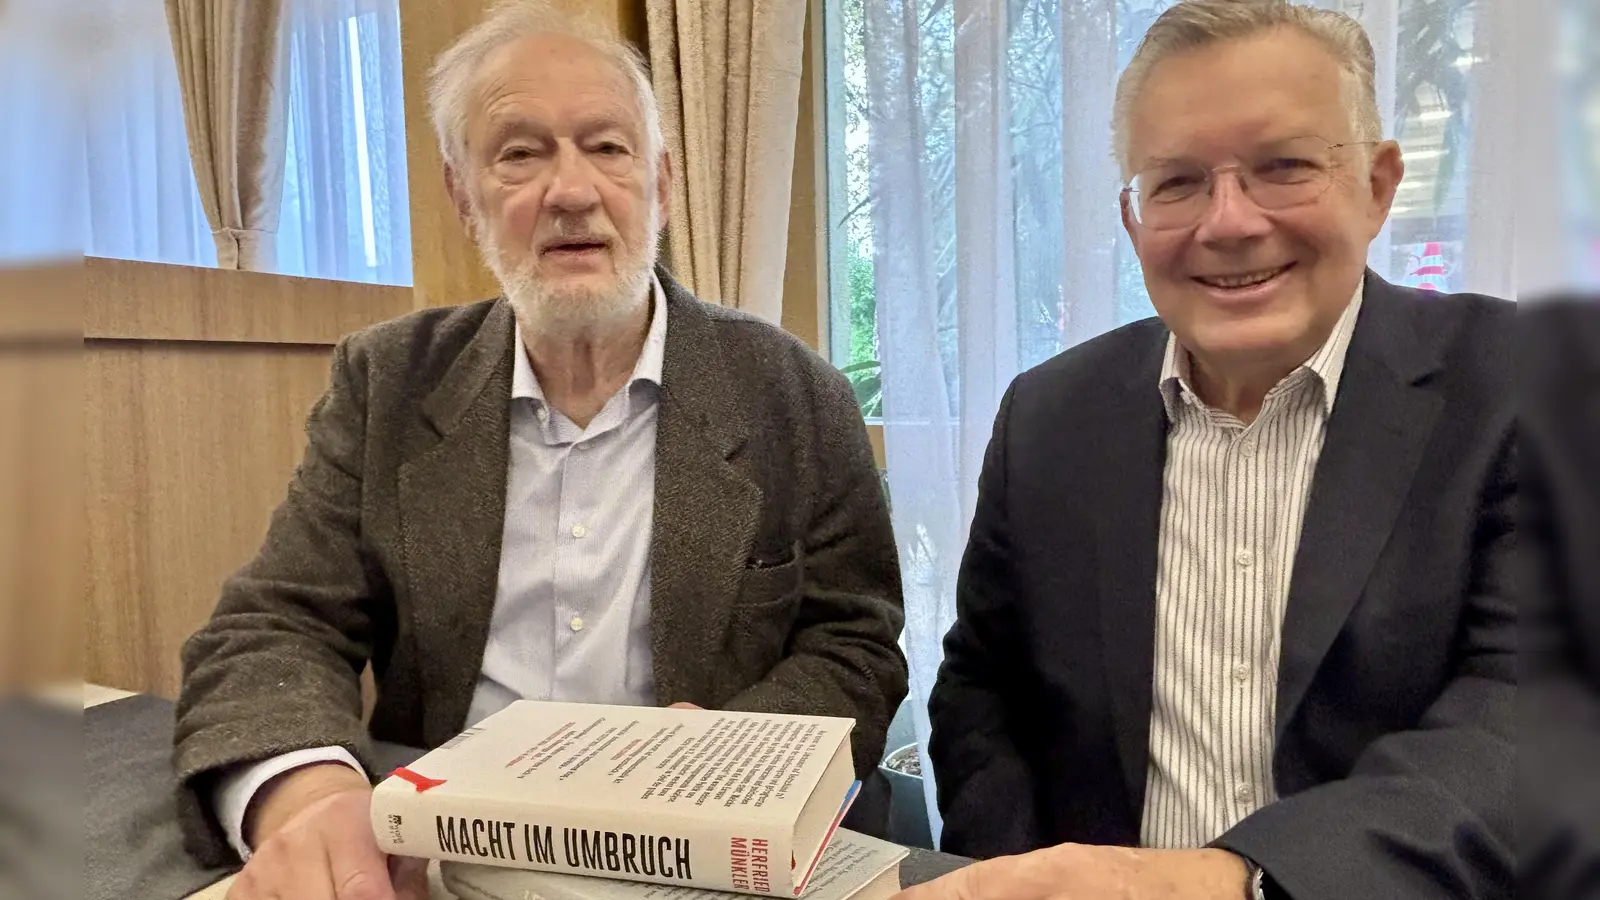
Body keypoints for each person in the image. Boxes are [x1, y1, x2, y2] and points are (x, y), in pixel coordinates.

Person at [171, 3, 908, 898]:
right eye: (520, 153)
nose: (570, 191)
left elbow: (856, 647)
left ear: (662, 184)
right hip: (437, 861)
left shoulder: (794, 394)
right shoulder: (389, 381)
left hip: (688, 857)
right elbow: (275, 623)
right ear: (462, 193)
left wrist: (729, 752)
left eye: (607, 147)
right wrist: (307, 792)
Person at [915, 2, 1513, 898]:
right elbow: (980, 697)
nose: (1227, 222)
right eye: (1178, 182)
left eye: (1283, 167)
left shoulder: (1520, 390)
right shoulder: (1048, 418)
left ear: (1379, 185)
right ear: (1132, 218)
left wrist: (1238, 879)